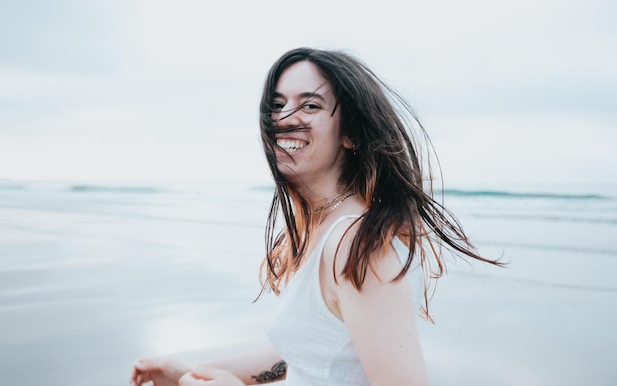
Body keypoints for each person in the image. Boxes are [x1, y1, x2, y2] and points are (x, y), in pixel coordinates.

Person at [130, 48, 502, 386]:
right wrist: (187, 375)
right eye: (277, 105)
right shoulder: (325, 230)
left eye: (310, 105)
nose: (285, 118)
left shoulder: (355, 244)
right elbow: (311, 350)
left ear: (351, 134)